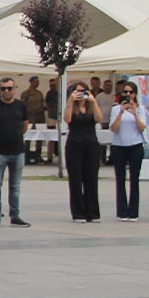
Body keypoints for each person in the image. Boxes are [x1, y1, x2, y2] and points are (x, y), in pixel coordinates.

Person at [0, 78, 32, 228]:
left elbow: (25, 125)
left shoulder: (21, 106)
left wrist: (16, 135)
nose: (6, 91)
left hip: (17, 151)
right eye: (3, 88)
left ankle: (15, 215)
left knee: (15, 186)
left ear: (15, 89)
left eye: (9, 88)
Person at [62, 81, 102, 223]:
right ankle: (78, 212)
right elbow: (67, 119)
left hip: (91, 144)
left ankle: (92, 212)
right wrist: (71, 101)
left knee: (91, 178)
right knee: (75, 179)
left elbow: (98, 118)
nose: (81, 94)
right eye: (77, 91)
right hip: (75, 144)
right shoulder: (71, 106)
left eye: (83, 91)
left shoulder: (91, 106)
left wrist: (93, 101)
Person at [110, 80, 148, 221]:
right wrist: (121, 112)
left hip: (135, 145)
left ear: (135, 94)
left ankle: (133, 212)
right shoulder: (115, 109)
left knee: (134, 178)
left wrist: (134, 113)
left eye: (130, 92)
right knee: (120, 179)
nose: (128, 94)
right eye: (125, 92)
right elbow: (113, 128)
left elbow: (142, 128)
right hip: (119, 145)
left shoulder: (140, 109)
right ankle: (122, 211)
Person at [21, 75, 46, 164]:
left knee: (40, 137)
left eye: (38, 81)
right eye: (36, 81)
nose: (37, 83)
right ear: (31, 82)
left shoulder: (39, 93)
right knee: (28, 137)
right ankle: (27, 155)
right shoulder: (26, 93)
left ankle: (38, 155)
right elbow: (22, 105)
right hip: (30, 118)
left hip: (39, 118)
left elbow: (42, 104)